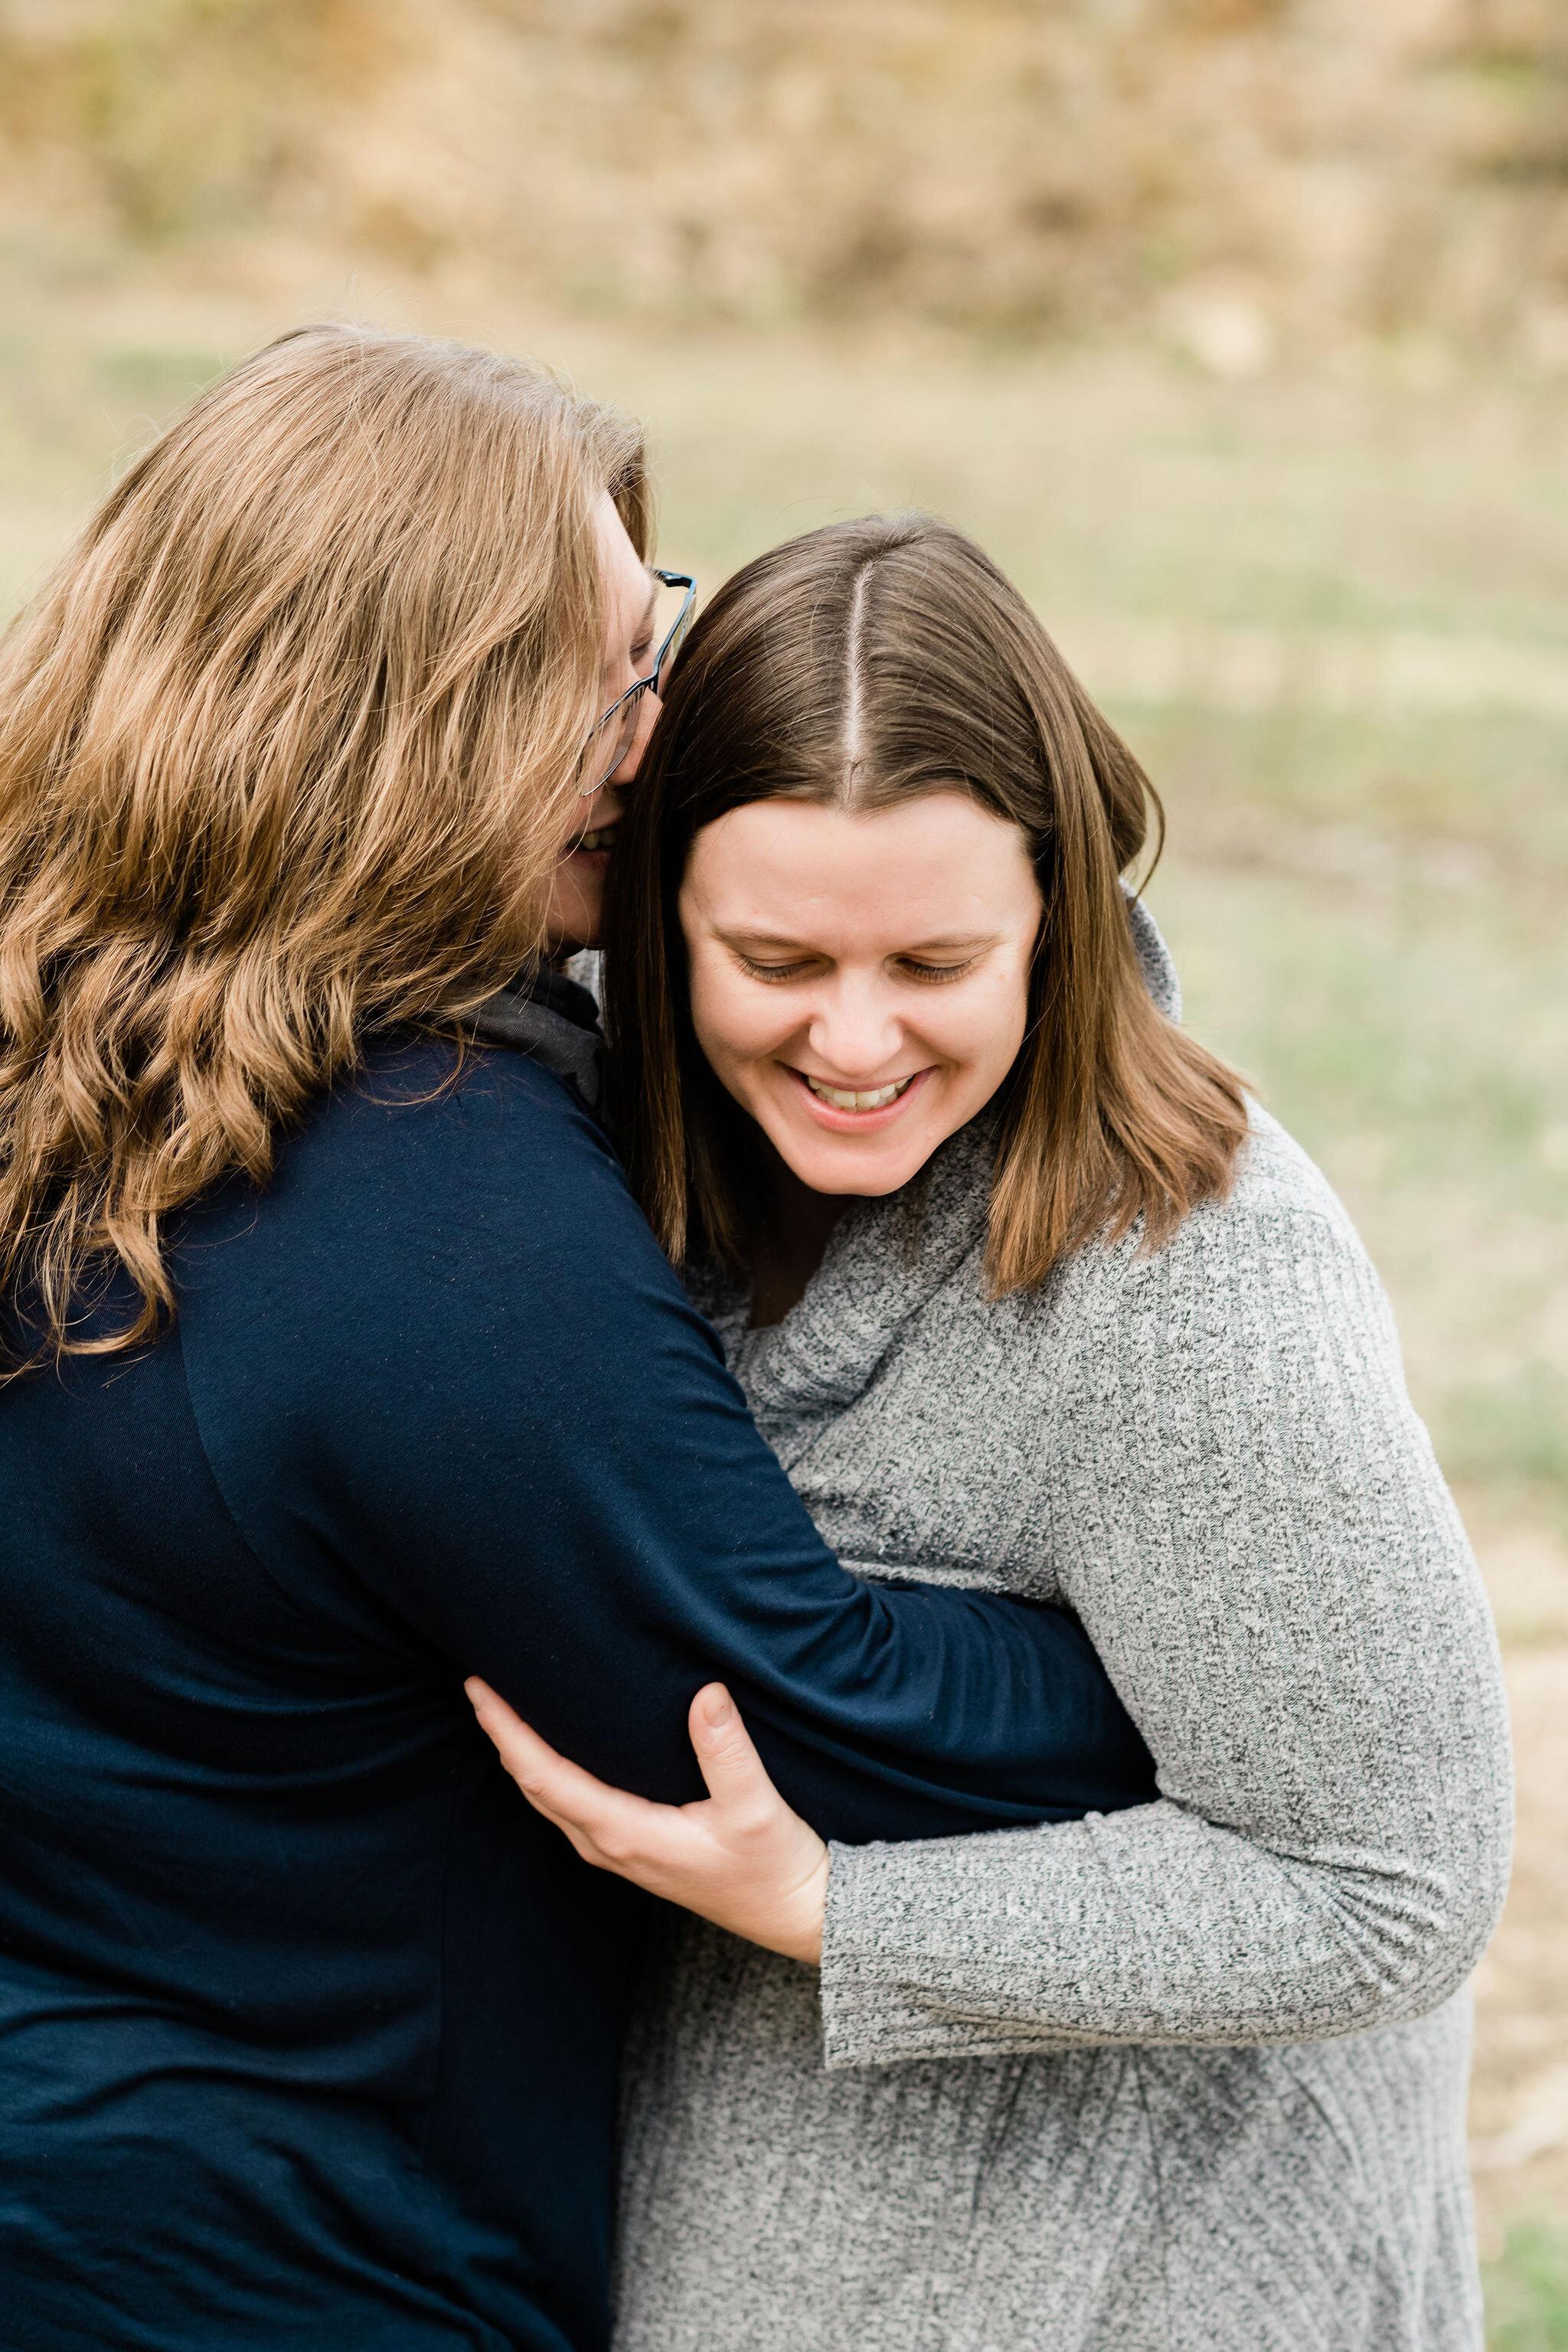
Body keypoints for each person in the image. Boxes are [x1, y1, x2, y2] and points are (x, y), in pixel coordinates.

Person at [0, 338, 1157, 2352]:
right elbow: (817, 1723)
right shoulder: (419, 1196)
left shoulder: (73, 1032)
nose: (665, 731)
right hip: (292, 2261)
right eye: (619, 673)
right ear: (413, 729)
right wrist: (1204, 1648)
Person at [470, 515, 1514, 2351]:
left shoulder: (1193, 1278)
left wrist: (832, 1912)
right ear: (654, 914)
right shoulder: (580, 1125)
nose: (854, 1037)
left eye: (937, 964)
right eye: (776, 959)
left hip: (1130, 2285)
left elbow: (1388, 1887)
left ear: (1060, 912)